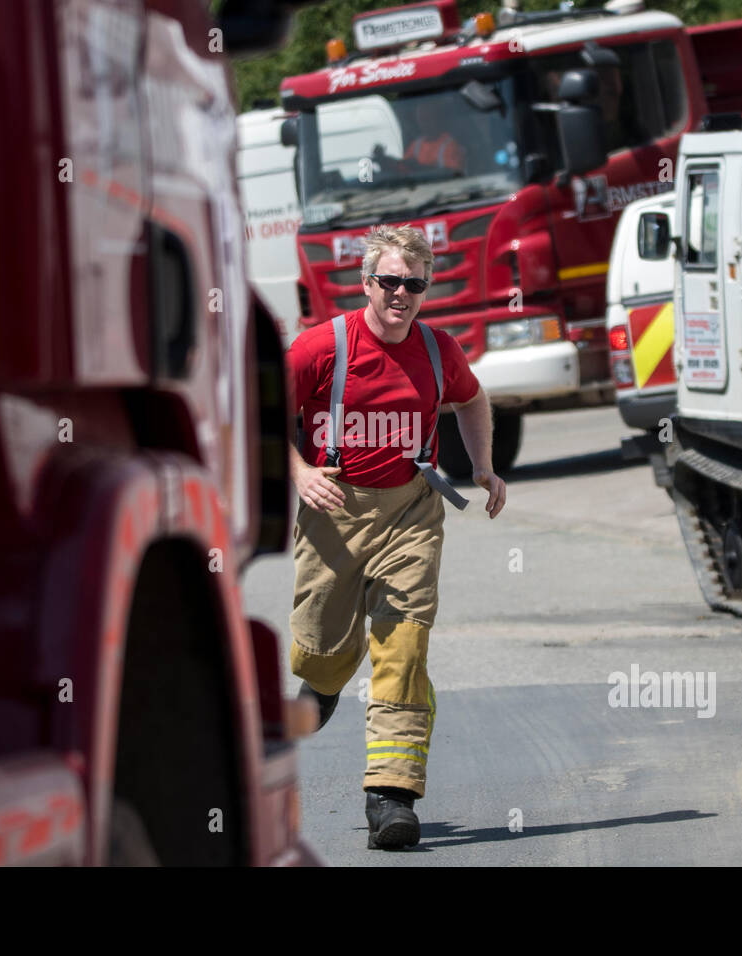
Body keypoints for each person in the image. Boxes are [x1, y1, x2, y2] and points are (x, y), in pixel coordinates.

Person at [284, 224, 506, 850]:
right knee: (319, 647)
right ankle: (325, 680)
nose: (400, 294)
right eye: (389, 282)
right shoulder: (320, 347)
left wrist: (482, 465)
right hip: (336, 510)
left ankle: (391, 796)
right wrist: (300, 473)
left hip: (412, 511)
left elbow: (472, 400)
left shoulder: (438, 350)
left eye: (413, 284)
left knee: (404, 647)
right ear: (366, 283)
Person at [403, 99, 466, 173]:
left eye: (427, 119)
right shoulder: (416, 145)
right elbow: (403, 168)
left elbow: (453, 174)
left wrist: (420, 168)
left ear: (438, 119)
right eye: (421, 119)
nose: (424, 124)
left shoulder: (450, 145)